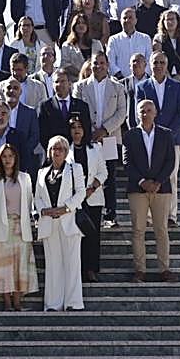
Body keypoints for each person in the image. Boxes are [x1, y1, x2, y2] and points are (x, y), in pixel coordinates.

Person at [0, 143, 38, 310]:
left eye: (10, 156)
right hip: (2, 227)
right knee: (4, 266)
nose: (7, 160)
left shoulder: (25, 178)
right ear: (0, 159)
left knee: (20, 265)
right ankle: (6, 302)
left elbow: (29, 202)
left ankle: (18, 302)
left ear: (15, 158)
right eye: (4, 156)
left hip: (21, 227)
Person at [124, 100, 176, 282]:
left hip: (161, 189)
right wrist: (142, 181)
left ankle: (164, 269)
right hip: (137, 189)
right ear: (137, 114)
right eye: (142, 111)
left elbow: (171, 160)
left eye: (149, 110)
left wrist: (158, 181)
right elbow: (127, 162)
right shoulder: (130, 135)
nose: (145, 114)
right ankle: (140, 270)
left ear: (155, 113)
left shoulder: (166, 134)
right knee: (138, 230)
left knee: (161, 229)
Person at [72, 53, 126, 228]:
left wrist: (104, 130)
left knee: (109, 176)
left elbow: (121, 113)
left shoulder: (117, 87)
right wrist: (91, 130)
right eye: (96, 63)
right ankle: (83, 208)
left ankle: (111, 214)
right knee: (86, 173)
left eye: (102, 63)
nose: (99, 66)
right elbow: (77, 110)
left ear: (108, 65)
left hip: (109, 138)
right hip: (87, 137)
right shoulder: (80, 87)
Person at [35, 135, 86, 311]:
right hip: (49, 222)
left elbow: (81, 193)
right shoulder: (42, 173)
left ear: (66, 152)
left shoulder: (75, 169)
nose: (57, 152)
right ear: (49, 152)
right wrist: (45, 211)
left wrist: (65, 209)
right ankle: (53, 303)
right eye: (54, 149)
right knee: (53, 264)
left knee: (72, 263)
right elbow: (37, 197)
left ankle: (73, 302)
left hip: (69, 221)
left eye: (61, 149)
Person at [137, 52, 180, 226]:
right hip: (148, 139)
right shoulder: (142, 87)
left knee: (171, 177)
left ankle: (171, 216)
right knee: (149, 176)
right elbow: (137, 112)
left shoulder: (177, 86)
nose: (158, 65)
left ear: (167, 65)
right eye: (155, 62)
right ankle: (150, 217)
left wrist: (168, 134)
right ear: (150, 65)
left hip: (171, 140)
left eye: (162, 62)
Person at [67, 116, 107, 282]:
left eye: (80, 127)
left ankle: (91, 269)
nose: (77, 130)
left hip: (92, 197)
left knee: (92, 234)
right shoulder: (64, 149)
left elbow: (103, 172)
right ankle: (75, 269)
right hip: (72, 199)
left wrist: (92, 188)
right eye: (73, 127)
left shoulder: (95, 148)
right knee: (75, 236)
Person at [153, 9, 180, 100]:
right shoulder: (158, 38)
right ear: (163, 22)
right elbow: (158, 58)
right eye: (167, 19)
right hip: (165, 77)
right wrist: (168, 76)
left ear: (177, 21)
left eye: (172, 19)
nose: (170, 22)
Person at [107, 7, 154, 77]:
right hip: (120, 82)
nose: (127, 20)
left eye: (130, 17)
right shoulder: (113, 40)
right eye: (124, 18)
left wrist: (144, 76)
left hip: (142, 81)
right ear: (120, 21)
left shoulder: (145, 38)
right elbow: (110, 62)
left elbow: (149, 60)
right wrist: (121, 78)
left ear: (136, 20)